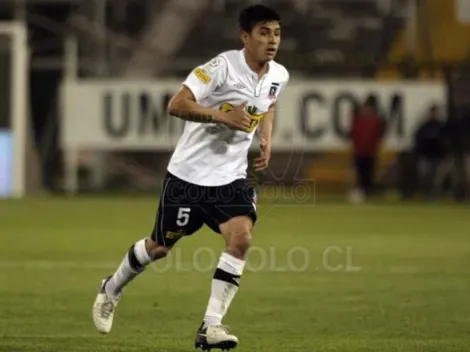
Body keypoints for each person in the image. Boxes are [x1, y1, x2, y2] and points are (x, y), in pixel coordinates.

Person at [92, 4, 289, 351]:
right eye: (263, 32)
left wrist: (266, 136)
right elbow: (176, 104)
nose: (272, 40)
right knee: (159, 247)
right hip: (187, 177)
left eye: (276, 32)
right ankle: (111, 288)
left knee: (241, 239)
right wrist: (221, 117)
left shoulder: (279, 75)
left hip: (230, 178)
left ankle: (210, 328)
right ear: (245, 37)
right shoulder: (220, 68)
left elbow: (269, 103)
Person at [349, 96, 385, 203]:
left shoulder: (375, 121)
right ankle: (363, 192)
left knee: (369, 174)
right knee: (361, 174)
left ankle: (367, 192)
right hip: (360, 152)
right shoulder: (359, 120)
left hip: (370, 152)